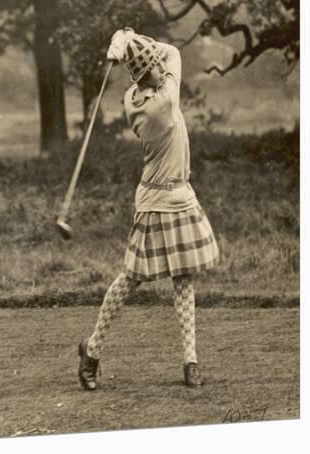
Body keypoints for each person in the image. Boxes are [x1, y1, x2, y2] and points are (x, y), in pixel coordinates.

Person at [78, 27, 219, 391]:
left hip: (179, 195)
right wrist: (134, 36)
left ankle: (190, 360)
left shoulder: (131, 97)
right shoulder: (165, 102)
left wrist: (126, 43)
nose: (160, 67)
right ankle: (91, 351)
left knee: (183, 279)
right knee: (131, 278)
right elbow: (172, 51)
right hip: (157, 202)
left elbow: (155, 62)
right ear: (150, 71)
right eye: (154, 66)